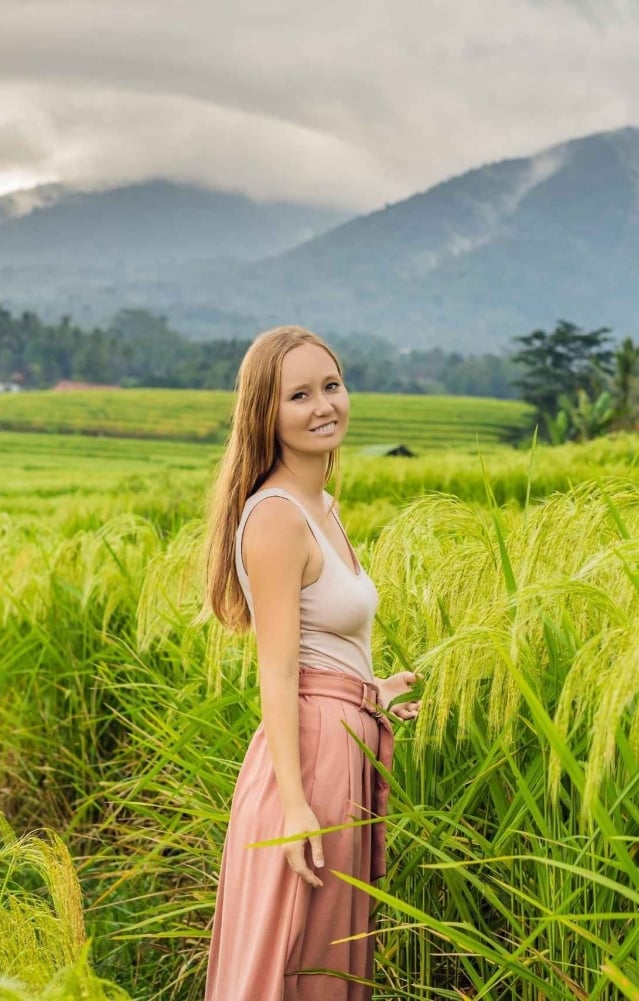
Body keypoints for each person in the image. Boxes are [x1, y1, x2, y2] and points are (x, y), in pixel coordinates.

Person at [201, 325, 420, 1000]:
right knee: (298, 959)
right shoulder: (276, 517)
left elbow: (325, 650)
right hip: (309, 768)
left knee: (330, 958)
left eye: (332, 385)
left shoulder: (322, 505)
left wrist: (371, 693)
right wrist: (296, 805)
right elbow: (278, 670)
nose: (324, 405)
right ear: (265, 413)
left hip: (341, 745)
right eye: (299, 394)